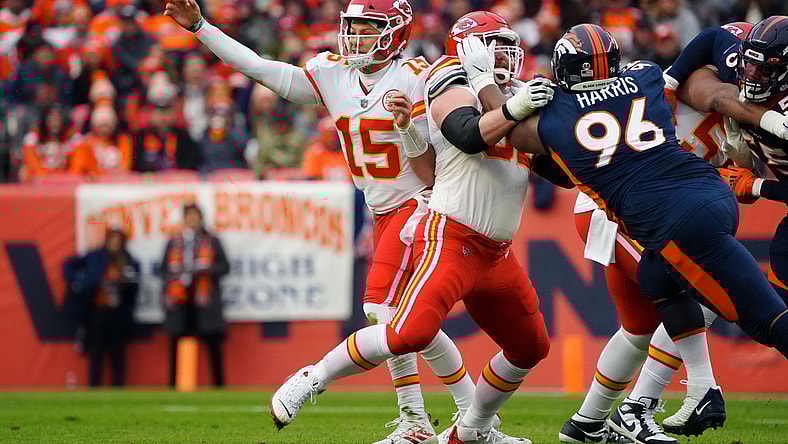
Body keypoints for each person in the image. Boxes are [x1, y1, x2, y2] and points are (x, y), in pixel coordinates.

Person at [164, 1, 485, 442]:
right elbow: (260, 68)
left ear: (395, 32)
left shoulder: (416, 76)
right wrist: (201, 28)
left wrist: (415, 132)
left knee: (383, 312)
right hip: (382, 210)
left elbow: (446, 148)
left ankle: (432, 417)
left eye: (367, 27)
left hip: (418, 203)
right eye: (351, 25)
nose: (354, 35)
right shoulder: (333, 74)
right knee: (402, 323)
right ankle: (449, 417)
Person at [473, 21, 788, 443]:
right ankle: (644, 405)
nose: (747, 76)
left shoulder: (565, 114)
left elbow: (514, 129)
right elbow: (709, 76)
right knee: (678, 286)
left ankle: (627, 411)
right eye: (741, 66)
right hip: (664, 203)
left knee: (683, 318)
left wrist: (485, 85)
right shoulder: (657, 79)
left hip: (665, 210)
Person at [267, 11, 561, 444]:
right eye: (496, 43)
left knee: (531, 347)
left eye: (508, 44)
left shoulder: (516, 92)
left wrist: (568, 128)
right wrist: (508, 102)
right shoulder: (448, 76)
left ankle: (472, 431)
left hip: (498, 252)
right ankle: (315, 376)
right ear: (470, 47)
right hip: (451, 237)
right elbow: (467, 133)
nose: (508, 53)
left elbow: (551, 161)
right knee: (408, 333)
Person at [160, 203, 229, 387]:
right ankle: (173, 384)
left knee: (212, 343)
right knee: (176, 342)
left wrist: (205, 270)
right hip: (180, 299)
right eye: (188, 215)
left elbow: (224, 267)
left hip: (204, 299)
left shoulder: (211, 241)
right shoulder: (174, 242)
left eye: (194, 215)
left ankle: (218, 384)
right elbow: (163, 270)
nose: (191, 219)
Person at [63, 228, 140, 387]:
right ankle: (94, 385)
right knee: (95, 350)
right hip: (97, 310)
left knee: (117, 352)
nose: (115, 243)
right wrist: (78, 284)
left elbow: (135, 285)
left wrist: (126, 283)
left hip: (118, 312)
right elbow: (68, 265)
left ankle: (118, 387)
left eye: (118, 240)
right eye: (112, 239)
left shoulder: (128, 260)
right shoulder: (95, 256)